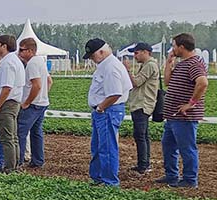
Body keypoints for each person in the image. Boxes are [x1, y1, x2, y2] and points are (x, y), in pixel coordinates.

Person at [157, 33, 208, 188]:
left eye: (174, 46)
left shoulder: (194, 63)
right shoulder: (182, 63)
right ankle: (172, 175)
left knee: (187, 148)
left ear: (182, 47)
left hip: (185, 116)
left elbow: (203, 83)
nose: (172, 49)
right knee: (169, 145)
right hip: (173, 115)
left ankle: (189, 179)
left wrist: (191, 103)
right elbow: (167, 82)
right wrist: (169, 62)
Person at [85, 38, 132, 186]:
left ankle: (109, 181)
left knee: (107, 147)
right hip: (105, 111)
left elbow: (115, 93)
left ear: (102, 51)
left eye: (93, 56)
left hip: (107, 111)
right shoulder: (105, 65)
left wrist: (101, 107)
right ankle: (98, 178)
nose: (92, 59)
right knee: (99, 147)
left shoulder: (111, 67)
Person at [0, 35, 25, 173]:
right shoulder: (14, 61)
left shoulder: (8, 63)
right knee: (13, 137)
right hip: (12, 103)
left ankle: (10, 168)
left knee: (7, 138)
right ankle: (15, 165)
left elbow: (7, 87)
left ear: (4, 46)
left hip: (6, 104)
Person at [125, 42, 160, 175]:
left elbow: (136, 82)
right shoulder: (147, 65)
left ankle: (143, 165)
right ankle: (144, 163)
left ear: (145, 52)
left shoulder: (149, 65)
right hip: (142, 104)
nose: (135, 56)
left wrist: (127, 70)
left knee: (140, 135)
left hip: (142, 105)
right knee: (142, 135)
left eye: (136, 52)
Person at [17, 38, 51, 169]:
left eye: (22, 49)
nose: (19, 52)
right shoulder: (40, 61)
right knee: (36, 132)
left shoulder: (32, 64)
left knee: (20, 132)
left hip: (33, 105)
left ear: (30, 51)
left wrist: (27, 102)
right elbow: (49, 81)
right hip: (42, 103)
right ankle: (38, 160)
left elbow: (36, 85)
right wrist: (44, 96)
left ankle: (18, 161)